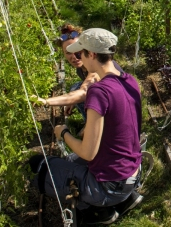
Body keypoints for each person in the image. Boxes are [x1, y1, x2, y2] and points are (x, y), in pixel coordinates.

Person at [30, 28, 142, 225]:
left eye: (81, 53)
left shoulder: (100, 91)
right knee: (71, 160)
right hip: (131, 172)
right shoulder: (129, 80)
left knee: (40, 168)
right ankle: (124, 199)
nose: (77, 56)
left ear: (91, 54)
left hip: (110, 185)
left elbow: (89, 152)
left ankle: (97, 212)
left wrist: (62, 132)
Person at [36, 24, 123, 124]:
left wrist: (46, 101)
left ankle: (92, 127)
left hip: (117, 115)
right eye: (69, 52)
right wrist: (73, 100)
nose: (74, 57)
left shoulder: (97, 68)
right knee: (77, 87)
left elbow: (84, 92)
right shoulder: (81, 69)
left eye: (77, 51)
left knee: (79, 89)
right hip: (110, 104)